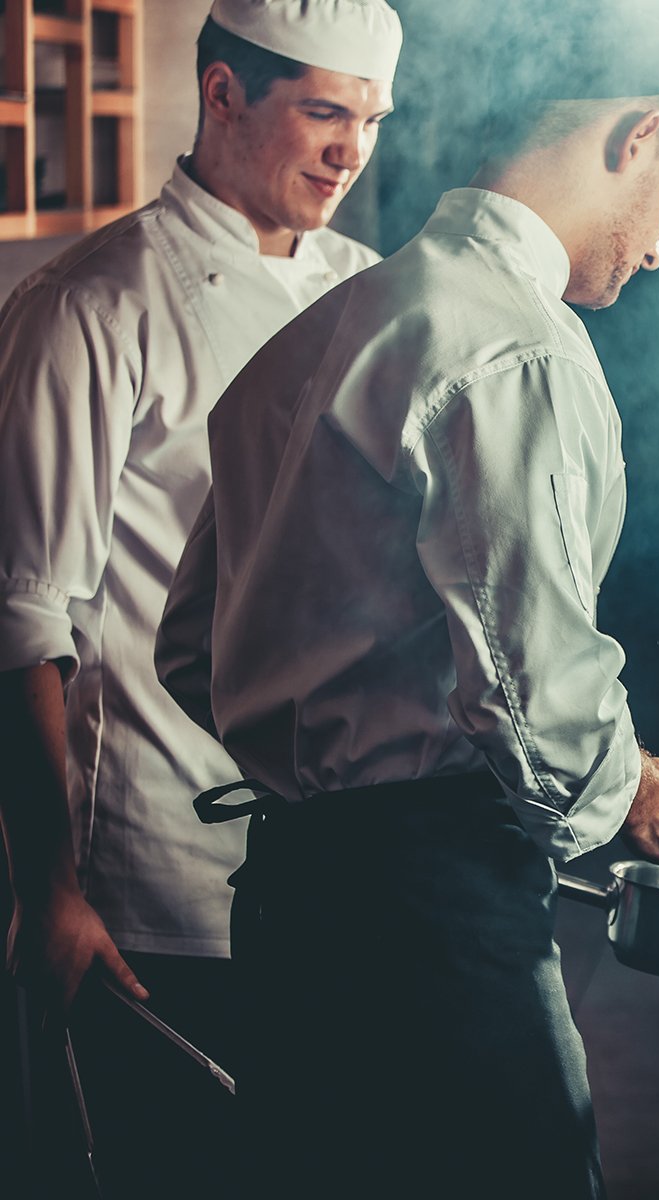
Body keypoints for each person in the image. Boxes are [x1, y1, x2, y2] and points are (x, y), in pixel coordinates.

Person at [155, 34, 659, 1198]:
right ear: (632, 139)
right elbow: (531, 687)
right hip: (433, 933)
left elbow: (189, 652)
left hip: (289, 907)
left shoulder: (326, 325)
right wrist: (638, 788)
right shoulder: (512, 344)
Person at [0, 0, 398, 1191]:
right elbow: (26, 615)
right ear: (222, 95)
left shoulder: (364, 288)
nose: (352, 151)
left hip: (334, 864)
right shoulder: (95, 305)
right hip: (157, 877)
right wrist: (49, 886)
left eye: (370, 119)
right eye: (325, 112)